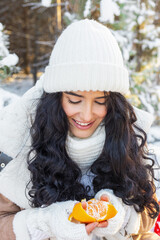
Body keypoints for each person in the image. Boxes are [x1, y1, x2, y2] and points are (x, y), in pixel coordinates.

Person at [0, 19, 159, 240]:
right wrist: (47, 223)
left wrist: (120, 213)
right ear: (56, 98)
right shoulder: (21, 141)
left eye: (100, 101)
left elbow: (149, 214)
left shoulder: (125, 133)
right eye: (74, 100)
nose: (86, 115)